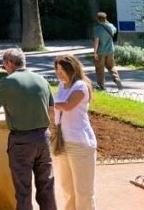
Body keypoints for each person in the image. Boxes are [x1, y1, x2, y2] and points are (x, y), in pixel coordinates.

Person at [0, 48, 56, 210]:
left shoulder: (8, 81)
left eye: (4, 65)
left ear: (9, 63)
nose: (4, 68)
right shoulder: (41, 79)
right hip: (43, 137)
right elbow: (50, 109)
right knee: (46, 184)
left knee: (23, 188)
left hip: (22, 141)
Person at [52, 54, 97, 210]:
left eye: (62, 69)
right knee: (67, 189)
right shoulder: (61, 85)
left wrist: (48, 101)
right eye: (57, 69)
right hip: (62, 141)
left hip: (79, 142)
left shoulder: (81, 86)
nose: (59, 73)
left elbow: (67, 105)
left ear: (71, 68)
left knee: (83, 191)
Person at [93, 12, 122, 91]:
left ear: (98, 19)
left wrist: (95, 52)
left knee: (100, 68)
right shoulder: (111, 26)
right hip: (110, 50)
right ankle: (117, 79)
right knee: (111, 66)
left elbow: (96, 41)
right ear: (106, 18)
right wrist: (107, 22)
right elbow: (114, 30)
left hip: (101, 51)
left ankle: (101, 85)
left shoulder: (97, 28)